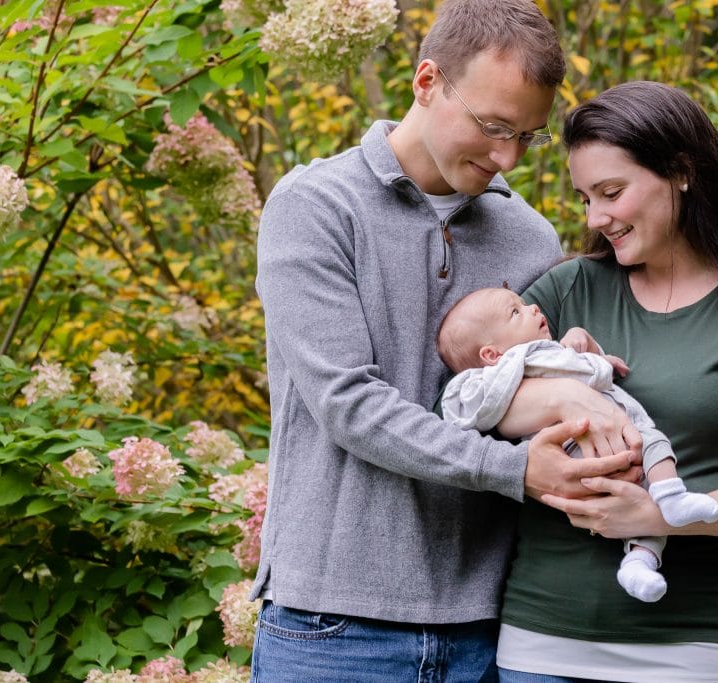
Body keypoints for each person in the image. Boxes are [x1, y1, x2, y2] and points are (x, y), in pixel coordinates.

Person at [251, 1, 649, 680]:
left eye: (528, 135)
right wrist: (516, 471)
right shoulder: (315, 206)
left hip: (492, 628)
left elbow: (552, 401)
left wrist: (708, 520)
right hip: (334, 626)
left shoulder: (530, 237)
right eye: (493, 127)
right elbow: (349, 403)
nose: (507, 158)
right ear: (427, 81)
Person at [492, 81, 718, 682]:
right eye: (585, 198)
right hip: (543, 642)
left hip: (699, 647)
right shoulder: (565, 292)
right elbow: (474, 407)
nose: (597, 218)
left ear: (680, 172)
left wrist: (665, 515)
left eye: (612, 192)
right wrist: (566, 396)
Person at [437, 286, 718, 603]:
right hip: (578, 451)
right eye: (515, 312)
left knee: (645, 503)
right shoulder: (505, 371)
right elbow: (464, 404)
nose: (532, 308)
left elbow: (584, 366)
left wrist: (584, 343)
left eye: (524, 304)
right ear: (491, 354)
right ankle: (670, 494)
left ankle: (640, 561)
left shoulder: (544, 351)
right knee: (653, 444)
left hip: (617, 444)